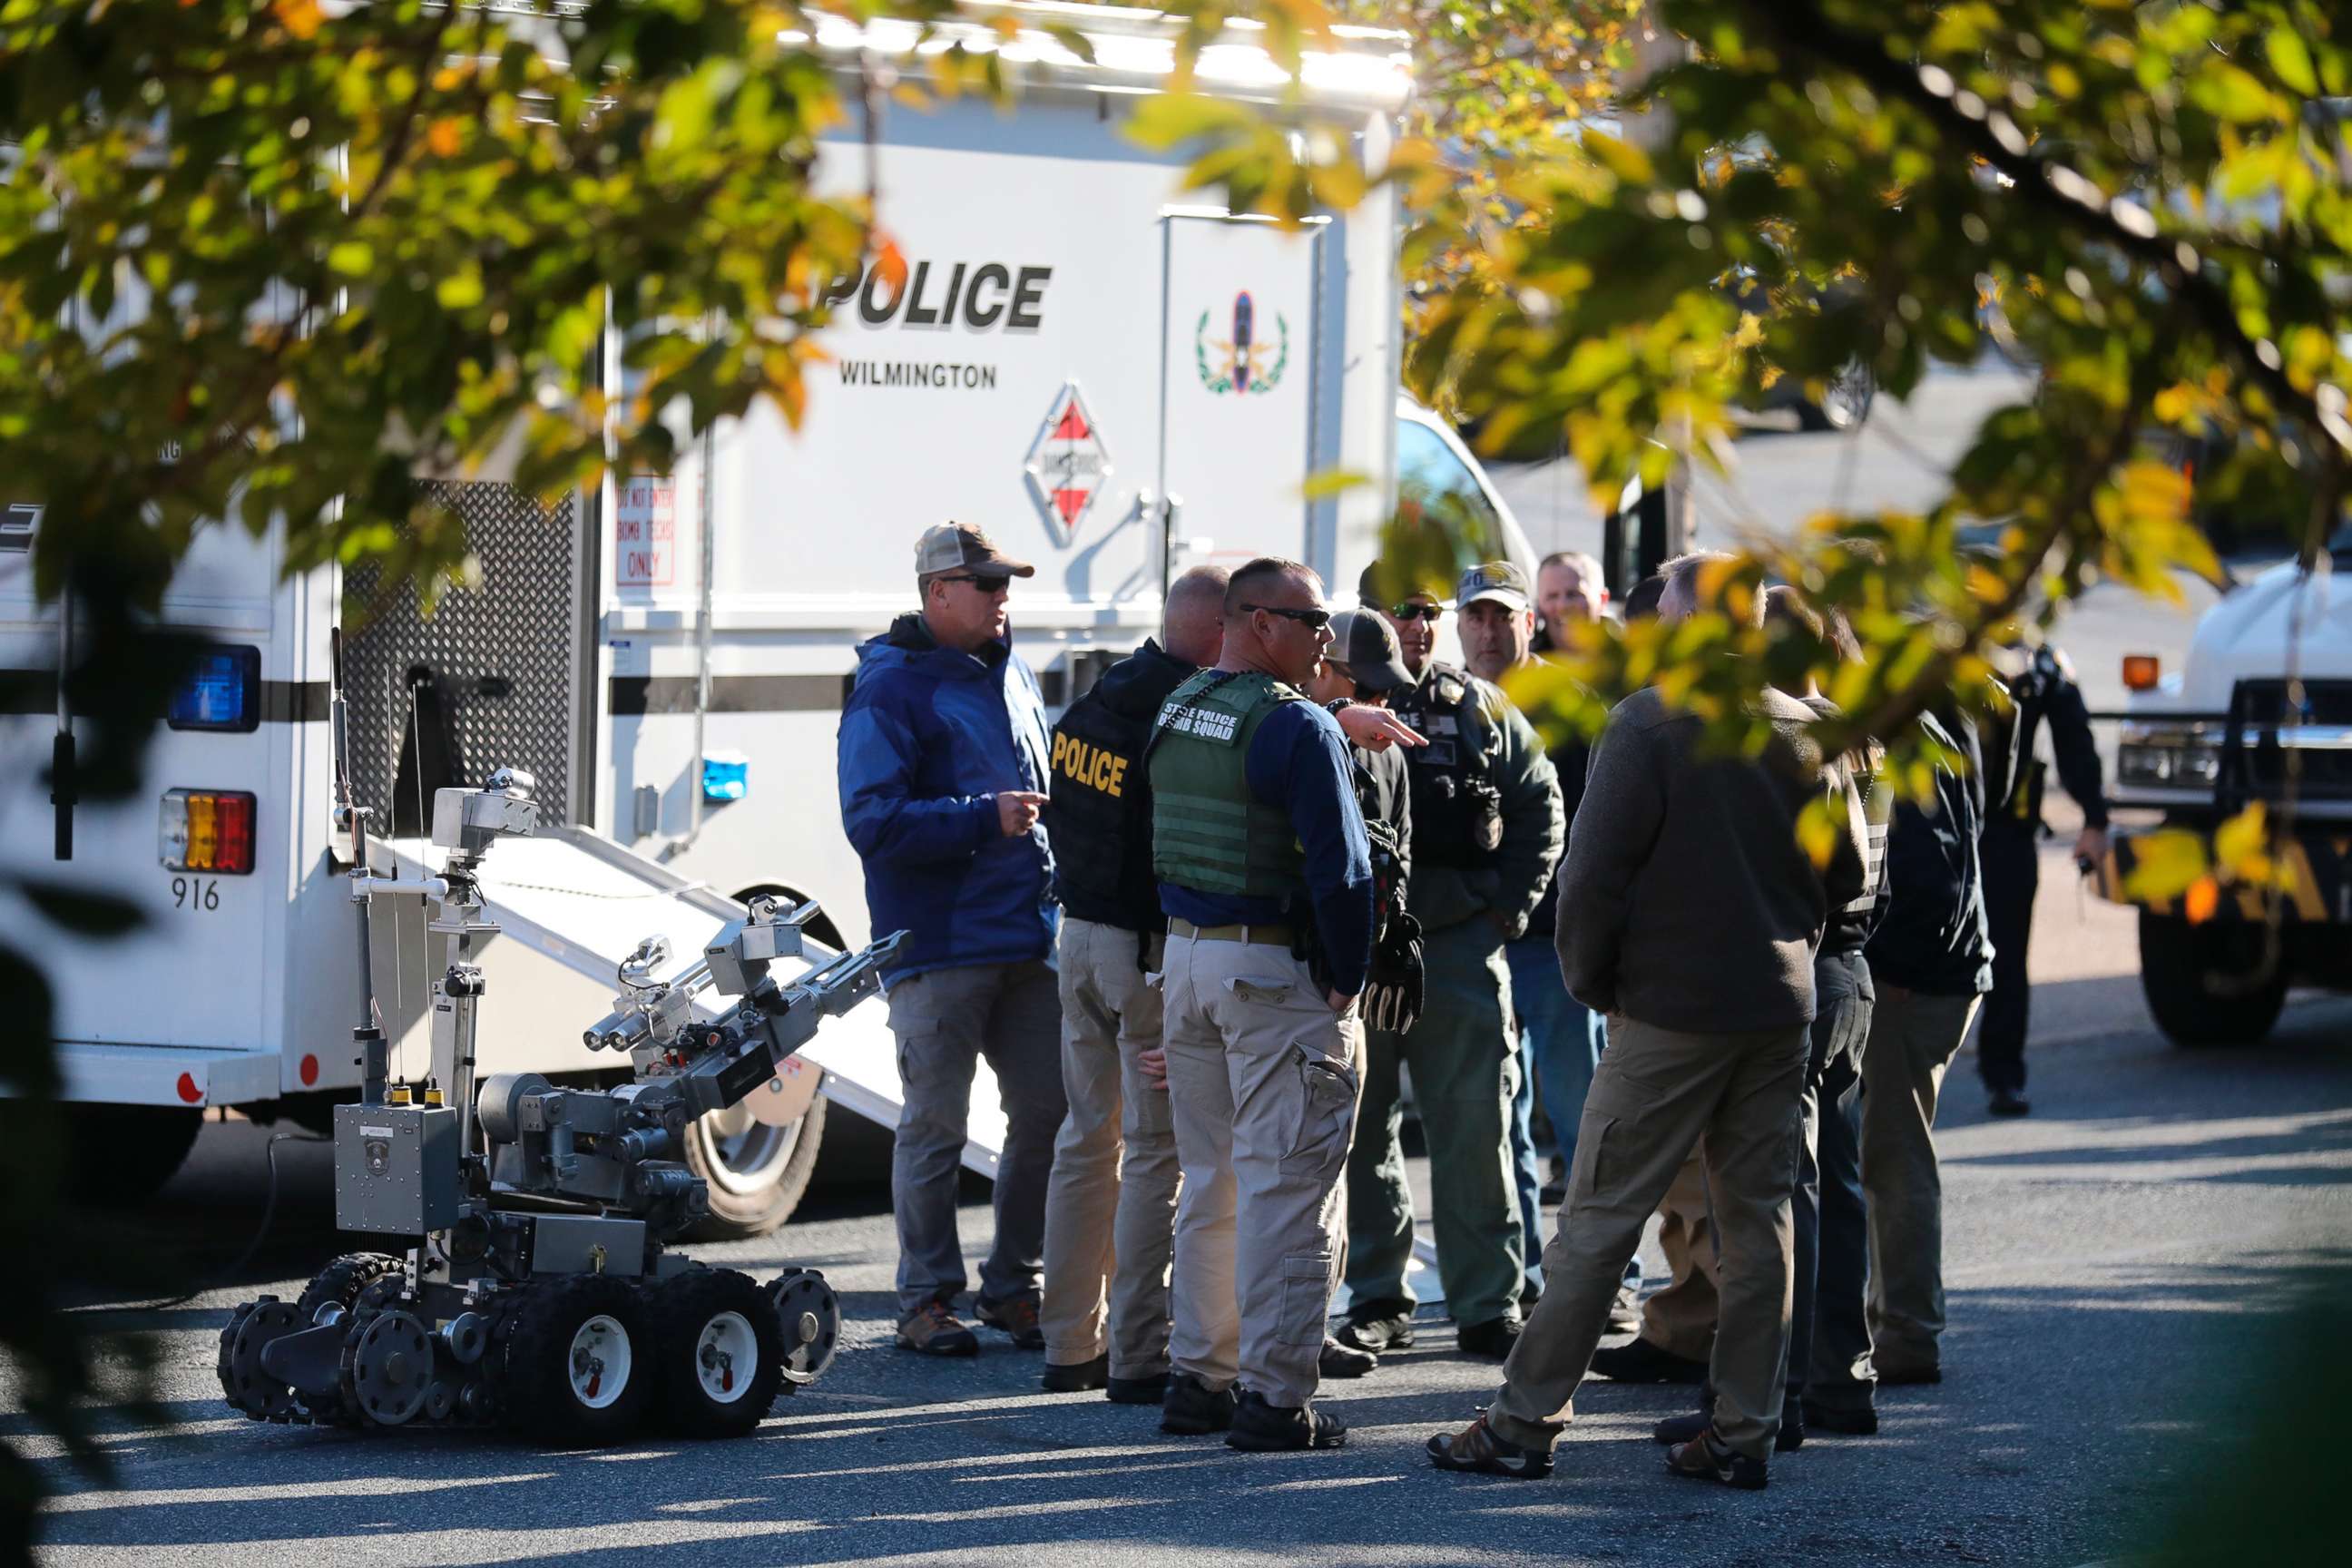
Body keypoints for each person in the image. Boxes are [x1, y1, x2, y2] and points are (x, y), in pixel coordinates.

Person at [1427, 552, 1865, 1491]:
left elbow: (1589, 878)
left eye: (1665, 607)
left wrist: (1593, 983)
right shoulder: (1810, 727)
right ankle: (1743, 1431)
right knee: (1760, 1227)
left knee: (1598, 1222)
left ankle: (1522, 1421)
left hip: (1669, 1011)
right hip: (1777, 1006)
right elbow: (1850, 879)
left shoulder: (1652, 722)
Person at [1650, 588, 1891, 1454]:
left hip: (1803, 967)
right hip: (1851, 969)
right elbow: (1870, 875)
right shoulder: (1859, 734)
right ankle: (1839, 1378)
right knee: (1837, 1179)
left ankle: (1768, 1396)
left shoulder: (1799, 735)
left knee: (1777, 1193)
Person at [1149, 557, 1377, 1453]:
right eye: (1314, 618)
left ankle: (1200, 1377)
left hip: (1190, 964)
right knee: (1289, 1191)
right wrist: (1348, 979)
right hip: (1271, 978)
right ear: (1262, 621)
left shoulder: (1179, 706)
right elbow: (1345, 872)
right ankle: (1277, 1399)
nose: (1329, 635)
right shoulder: (1298, 727)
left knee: (1211, 1182)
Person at [838, 522, 1068, 1357]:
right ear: (938, 593)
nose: (1005, 597)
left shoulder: (1011, 671)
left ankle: (1015, 1287)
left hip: (1027, 937)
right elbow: (871, 822)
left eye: (1006, 582)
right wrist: (983, 818)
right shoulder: (889, 688)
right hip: (936, 945)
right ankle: (926, 1300)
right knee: (934, 1125)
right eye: (988, 584)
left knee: (1050, 1112)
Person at [1340, 563, 1563, 1362]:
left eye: (1428, 612)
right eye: (1399, 611)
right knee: (1365, 1132)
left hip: (1461, 946)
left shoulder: (1477, 707)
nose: (1416, 625)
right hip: (1364, 951)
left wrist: (1512, 907)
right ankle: (1378, 1297)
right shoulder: (1327, 706)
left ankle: (1485, 1302)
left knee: (1478, 1126)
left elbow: (1542, 800)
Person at [1035, 565, 1230, 1401]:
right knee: (1156, 1152)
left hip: (1077, 938)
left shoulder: (1099, 695)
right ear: (1219, 629)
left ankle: (1069, 1342)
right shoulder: (1184, 714)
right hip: (1143, 955)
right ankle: (1140, 1354)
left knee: (1086, 1141)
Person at [1851, 700, 1994, 1391]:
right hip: (1940, 971)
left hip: (1916, 981)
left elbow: (1930, 874)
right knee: (1888, 1153)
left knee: (1893, 1156)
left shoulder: (1901, 736)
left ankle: (1907, 1334)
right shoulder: (1934, 723)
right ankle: (1898, 1325)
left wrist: (1896, 971)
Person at [1452, 561, 1575, 1313]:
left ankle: (1609, 1283)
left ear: (1531, 622)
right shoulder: (1446, 703)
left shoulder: (1574, 707)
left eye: (1504, 617)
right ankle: (1526, 1277)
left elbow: (1589, 825)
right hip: (1479, 942)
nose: (1490, 631)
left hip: (1558, 945)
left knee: (1581, 1119)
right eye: (1477, 617)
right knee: (1502, 1120)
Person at [1304, 607, 1424, 1378]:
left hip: (1352, 984)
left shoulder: (1390, 754)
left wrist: (1388, 946)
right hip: (1293, 981)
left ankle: (1314, 1321)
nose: (1384, 705)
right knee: (1285, 1166)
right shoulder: (1295, 735)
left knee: (1334, 1155)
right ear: (1326, 671)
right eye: (1364, 686)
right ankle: (1248, 1337)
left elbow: (1397, 853)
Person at [1975, 636, 2107, 1115]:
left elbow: (2074, 740)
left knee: (2007, 959)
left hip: (2006, 829)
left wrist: (2094, 817)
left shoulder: (2041, 663)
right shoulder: (1935, 644)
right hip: (1937, 827)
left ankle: (2004, 1074)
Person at [1533, 551, 1607, 651]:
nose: (1562, 606)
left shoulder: (1628, 660)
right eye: (1552, 596)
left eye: (1573, 594)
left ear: (1603, 599)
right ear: (1538, 604)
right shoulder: (1521, 663)